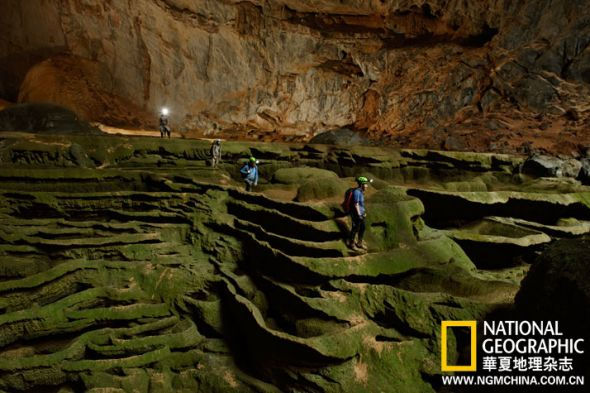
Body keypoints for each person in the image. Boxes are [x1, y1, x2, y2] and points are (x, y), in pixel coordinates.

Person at [347, 176, 371, 251]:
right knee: (355, 228)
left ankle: (359, 243)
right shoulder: (357, 192)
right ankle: (352, 244)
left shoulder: (361, 192)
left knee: (362, 228)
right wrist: (359, 214)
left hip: (361, 213)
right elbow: (356, 204)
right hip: (356, 214)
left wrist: (363, 213)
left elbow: (361, 204)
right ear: (361, 185)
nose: (367, 186)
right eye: (366, 184)